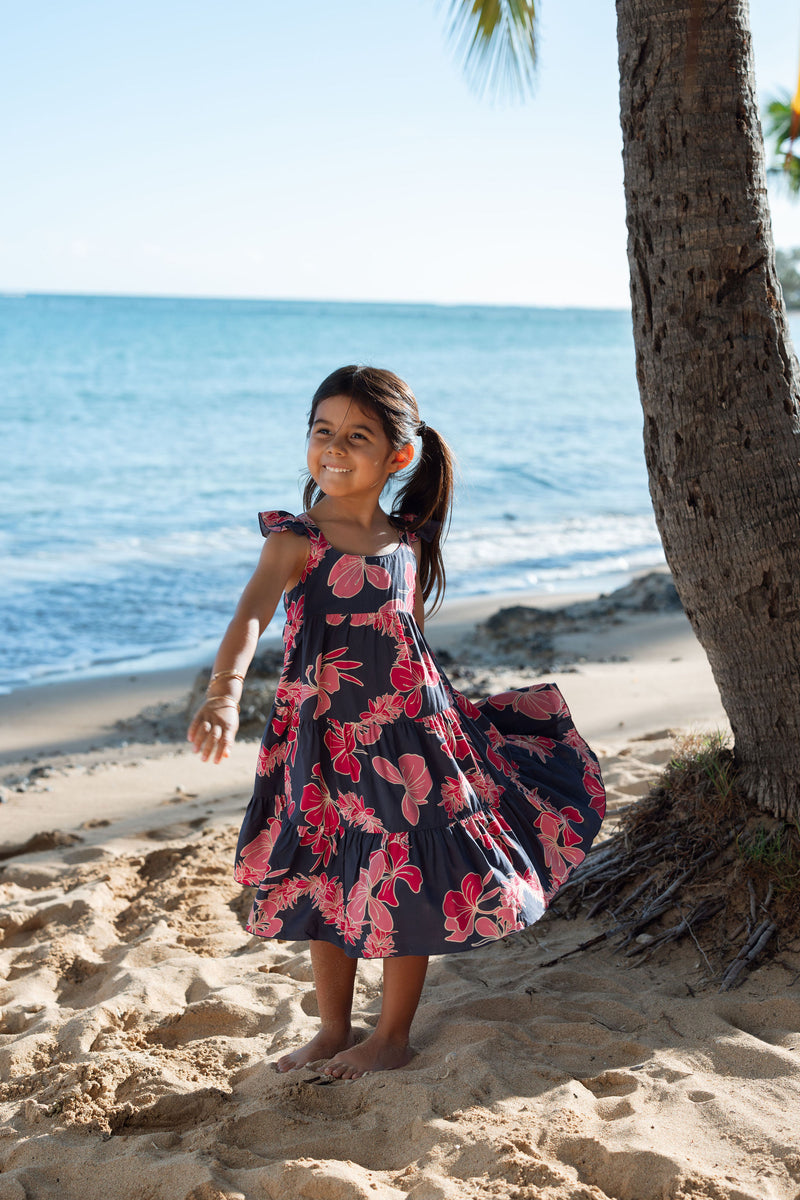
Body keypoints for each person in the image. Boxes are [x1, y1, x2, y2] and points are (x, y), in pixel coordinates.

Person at [187, 364, 605, 1081]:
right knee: (327, 873)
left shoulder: (404, 542)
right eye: (323, 432)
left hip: (412, 737)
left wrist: (447, 721)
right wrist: (224, 693)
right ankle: (332, 1030)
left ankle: (391, 1036)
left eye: (356, 436)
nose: (334, 449)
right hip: (322, 740)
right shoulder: (297, 540)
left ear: (397, 456)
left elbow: (405, 640)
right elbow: (250, 614)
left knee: (405, 869)